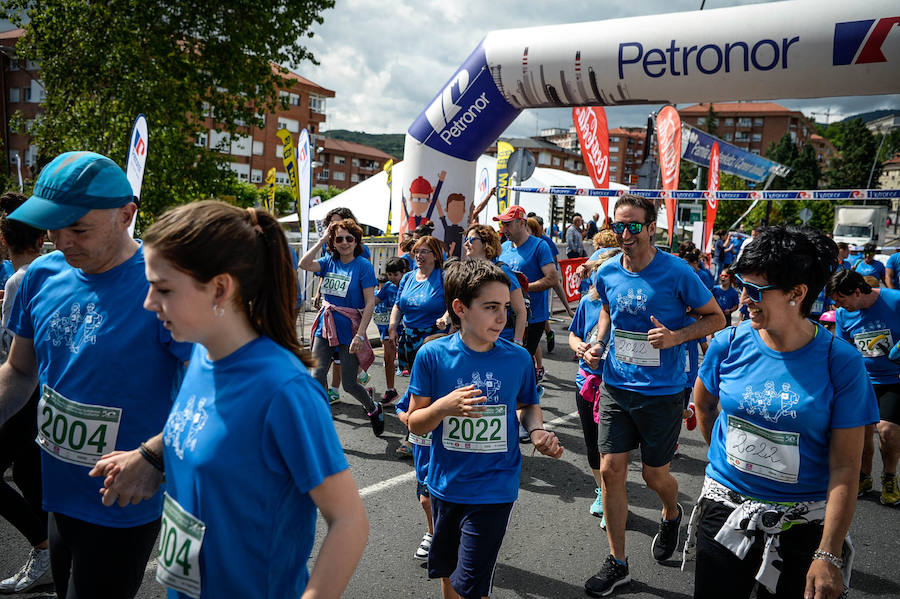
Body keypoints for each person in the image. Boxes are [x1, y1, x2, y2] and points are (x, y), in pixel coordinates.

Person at [94, 200, 369, 598]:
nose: (148, 303)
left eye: (164, 288)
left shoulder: (285, 390)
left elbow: (349, 521)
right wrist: (151, 457)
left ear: (221, 288)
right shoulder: (202, 356)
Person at [0, 151, 192, 599]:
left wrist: (154, 457)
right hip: (59, 491)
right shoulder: (39, 276)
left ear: (127, 215)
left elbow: (219, 391)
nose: (62, 242)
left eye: (79, 229)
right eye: (53, 228)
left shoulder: (166, 285)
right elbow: (20, 370)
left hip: (125, 497)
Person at [687, 226, 878, 599]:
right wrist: (728, 464)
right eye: (742, 286)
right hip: (725, 511)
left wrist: (828, 553)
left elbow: (845, 467)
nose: (743, 299)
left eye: (755, 291)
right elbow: (705, 404)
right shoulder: (728, 343)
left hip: (802, 528)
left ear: (797, 293)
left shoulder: (841, 363)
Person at [582, 194, 725, 597]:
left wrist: (677, 336)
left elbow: (716, 317)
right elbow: (609, 312)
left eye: (633, 226)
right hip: (615, 386)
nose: (625, 234)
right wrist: (597, 341)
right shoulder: (607, 272)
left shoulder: (677, 272)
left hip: (661, 393)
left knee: (653, 474)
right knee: (610, 471)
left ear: (651, 229)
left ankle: (672, 511)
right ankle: (618, 563)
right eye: (619, 225)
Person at [406, 259, 564, 599]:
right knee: (448, 574)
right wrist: (444, 407)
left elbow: (527, 405)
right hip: (446, 486)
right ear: (460, 308)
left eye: (505, 307)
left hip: (495, 488)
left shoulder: (518, 359)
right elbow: (415, 422)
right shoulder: (432, 355)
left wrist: (537, 432)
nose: (501, 317)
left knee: (472, 587)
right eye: (490, 307)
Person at [0, 192, 50, 593]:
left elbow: (14, 354)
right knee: (31, 476)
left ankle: (44, 545)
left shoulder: (24, 278)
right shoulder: (38, 274)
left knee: (29, 475)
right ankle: (47, 549)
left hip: (25, 392)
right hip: (33, 391)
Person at [299, 218, 383, 435]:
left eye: (349, 238)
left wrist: (362, 335)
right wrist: (321, 242)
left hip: (350, 330)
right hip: (325, 327)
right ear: (333, 242)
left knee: (349, 383)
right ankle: (321, 424)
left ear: (356, 241)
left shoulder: (363, 266)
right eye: (339, 239)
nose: (344, 242)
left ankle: (373, 408)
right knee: (316, 377)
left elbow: (369, 302)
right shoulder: (328, 261)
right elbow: (303, 264)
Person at [827, 268, 900, 505]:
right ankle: (864, 476)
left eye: (841, 299)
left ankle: (889, 477)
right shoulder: (843, 314)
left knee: (887, 432)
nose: (838, 306)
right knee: (862, 434)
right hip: (862, 379)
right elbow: (843, 347)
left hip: (893, 379)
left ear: (858, 292)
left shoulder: (895, 300)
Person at [568, 255, 619, 528]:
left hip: (615, 385)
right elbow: (573, 334)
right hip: (586, 383)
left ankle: (613, 497)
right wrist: (579, 347)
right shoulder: (588, 303)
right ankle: (602, 492)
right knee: (592, 445)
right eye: (597, 272)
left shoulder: (625, 305)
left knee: (610, 448)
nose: (599, 277)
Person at [495, 206, 559, 382]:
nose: (503, 229)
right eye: (502, 224)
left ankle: (529, 398)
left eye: (507, 224)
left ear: (521, 223)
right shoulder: (504, 247)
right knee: (507, 362)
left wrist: (521, 289)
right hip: (508, 317)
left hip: (534, 317)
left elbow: (553, 279)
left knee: (520, 361)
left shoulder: (539, 246)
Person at [389, 235, 447, 376]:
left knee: (430, 380)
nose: (418, 255)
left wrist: (445, 318)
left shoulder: (443, 277)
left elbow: (453, 304)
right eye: (416, 251)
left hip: (432, 339)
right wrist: (392, 327)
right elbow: (398, 306)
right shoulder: (408, 277)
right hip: (409, 339)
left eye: (424, 252)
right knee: (415, 379)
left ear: (435, 255)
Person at [463, 224, 527, 345]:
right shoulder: (469, 271)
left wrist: (517, 342)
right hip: (475, 338)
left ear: (486, 243)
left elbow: (521, 311)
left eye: (471, 240)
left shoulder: (503, 271)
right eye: (466, 240)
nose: (466, 244)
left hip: (501, 339)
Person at [395, 389, 435, 559]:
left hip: (443, 456)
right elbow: (400, 407)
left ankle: (434, 534)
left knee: (427, 499)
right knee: (424, 499)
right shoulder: (419, 386)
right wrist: (408, 420)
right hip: (422, 457)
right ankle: (436, 532)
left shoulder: (451, 385)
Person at [375, 257, 409, 406]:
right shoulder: (387, 286)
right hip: (390, 329)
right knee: (388, 359)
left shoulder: (410, 285)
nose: (392, 278)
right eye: (390, 274)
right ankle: (390, 390)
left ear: (404, 272)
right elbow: (374, 300)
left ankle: (416, 394)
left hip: (407, 330)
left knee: (410, 364)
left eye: (396, 274)